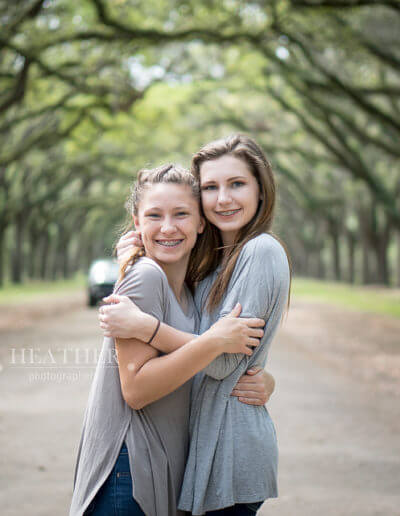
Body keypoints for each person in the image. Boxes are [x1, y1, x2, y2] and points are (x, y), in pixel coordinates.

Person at [100, 134, 291, 515]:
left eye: (237, 184)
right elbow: (210, 343)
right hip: (200, 447)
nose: (223, 198)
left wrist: (146, 327)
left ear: (260, 190)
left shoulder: (261, 250)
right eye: (210, 187)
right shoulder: (210, 265)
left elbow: (221, 362)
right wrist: (134, 257)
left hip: (231, 450)